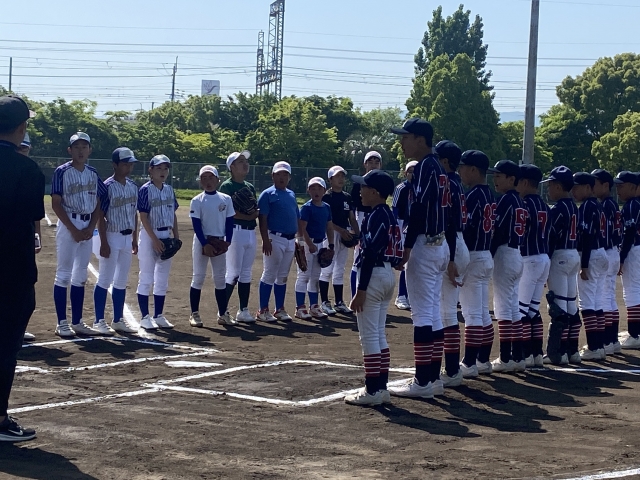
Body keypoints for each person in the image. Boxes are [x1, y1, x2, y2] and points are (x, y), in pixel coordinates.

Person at [388, 118, 449, 399]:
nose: (402, 142)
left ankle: (423, 382)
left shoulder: (425, 166)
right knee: (433, 312)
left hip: (425, 244)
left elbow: (419, 210)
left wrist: (408, 246)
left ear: (421, 140)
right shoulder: (438, 166)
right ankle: (432, 379)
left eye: (406, 137)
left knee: (423, 314)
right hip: (439, 243)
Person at [0, 94, 43, 441]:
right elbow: (31, 219)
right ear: (20, 127)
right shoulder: (27, 169)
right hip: (12, 270)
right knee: (5, 346)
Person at [344, 170, 402, 406]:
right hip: (387, 273)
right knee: (378, 334)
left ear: (375, 192)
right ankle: (381, 387)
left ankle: (372, 390)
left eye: (364, 187)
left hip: (374, 275)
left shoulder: (376, 215)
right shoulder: (388, 214)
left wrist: (361, 290)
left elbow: (369, 254)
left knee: (369, 336)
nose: (360, 191)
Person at [51, 132, 107, 337]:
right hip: (69, 223)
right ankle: (61, 323)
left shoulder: (93, 173)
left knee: (81, 275)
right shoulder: (62, 171)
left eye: (84, 147)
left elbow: (99, 200)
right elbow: (56, 203)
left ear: (90, 150)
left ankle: (77, 321)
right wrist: (73, 230)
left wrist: (91, 226)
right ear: (70, 150)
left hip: (87, 224)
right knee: (63, 274)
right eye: (77, 147)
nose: (81, 150)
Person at [93, 147, 140, 334]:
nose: (129, 167)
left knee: (121, 280)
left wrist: (135, 238)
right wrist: (104, 242)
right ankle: (98, 320)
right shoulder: (107, 187)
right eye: (125, 164)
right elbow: (100, 215)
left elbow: (134, 213)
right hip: (111, 235)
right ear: (115, 164)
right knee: (105, 278)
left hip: (127, 237)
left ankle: (118, 320)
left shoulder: (133, 186)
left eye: (131, 164)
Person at [457, 150, 496, 377]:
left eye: (463, 167)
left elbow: (467, 229)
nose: (460, 172)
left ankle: (470, 362)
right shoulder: (490, 194)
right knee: (481, 312)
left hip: (473, 255)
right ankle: (483, 360)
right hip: (485, 254)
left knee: (472, 314)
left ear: (473, 169)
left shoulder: (473, 196)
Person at [435, 141, 469, 388]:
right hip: (457, 242)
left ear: (445, 161)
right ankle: (452, 368)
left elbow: (448, 222)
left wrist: (451, 258)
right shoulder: (456, 182)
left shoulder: (447, 182)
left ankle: (452, 370)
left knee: (445, 313)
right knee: (446, 312)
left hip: (452, 244)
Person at [488, 160, 527, 373]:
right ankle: (517, 356)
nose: (495, 179)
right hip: (516, 253)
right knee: (512, 307)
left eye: (499, 176)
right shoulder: (520, 201)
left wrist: (488, 254)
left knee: (503, 307)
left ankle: (505, 358)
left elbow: (499, 231)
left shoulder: (506, 200)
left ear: (512, 179)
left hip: (504, 253)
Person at [136, 155, 180, 330]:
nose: (163, 172)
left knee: (162, 279)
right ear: (151, 170)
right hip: (149, 236)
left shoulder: (169, 190)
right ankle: (145, 317)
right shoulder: (145, 190)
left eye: (165, 168)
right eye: (159, 168)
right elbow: (143, 217)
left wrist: (176, 237)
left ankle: (159, 315)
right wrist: (154, 240)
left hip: (166, 234)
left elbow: (173, 214)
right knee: (146, 277)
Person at [541, 166, 579, 365]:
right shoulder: (574, 207)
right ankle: (572, 351)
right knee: (571, 304)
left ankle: (558, 352)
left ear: (557, 186)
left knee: (558, 306)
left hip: (560, 255)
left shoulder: (557, 209)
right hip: (573, 254)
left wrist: (546, 261)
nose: (548, 189)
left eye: (550, 185)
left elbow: (551, 237)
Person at [188, 166, 236, 327]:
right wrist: (204, 243)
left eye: (211, 177)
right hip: (202, 241)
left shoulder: (226, 199)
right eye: (204, 178)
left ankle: (223, 314)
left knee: (220, 278)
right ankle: (194, 314)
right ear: (200, 181)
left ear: (217, 179)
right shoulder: (197, 200)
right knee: (198, 277)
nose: (208, 181)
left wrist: (228, 241)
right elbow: (196, 225)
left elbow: (229, 221)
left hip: (219, 241)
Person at [516, 164, 551, 368]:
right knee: (532, 310)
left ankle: (524, 354)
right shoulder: (545, 205)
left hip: (529, 258)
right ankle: (536, 353)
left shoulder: (524, 205)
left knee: (520, 310)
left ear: (525, 182)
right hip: (544, 257)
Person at [257, 161, 300, 322]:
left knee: (282, 276)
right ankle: (262, 310)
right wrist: (265, 239)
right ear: (273, 176)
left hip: (290, 239)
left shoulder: (291, 194)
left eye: (285, 174)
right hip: (274, 237)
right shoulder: (267, 194)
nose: (282, 177)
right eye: (279, 174)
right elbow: (263, 219)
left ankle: (279, 309)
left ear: (289, 177)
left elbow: (296, 217)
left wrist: (300, 240)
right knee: (269, 274)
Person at [219, 151, 259, 323]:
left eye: (246, 161)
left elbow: (255, 210)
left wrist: (253, 214)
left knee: (246, 273)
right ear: (232, 167)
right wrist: (248, 216)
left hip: (250, 232)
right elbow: (227, 213)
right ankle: (222, 312)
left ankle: (243, 310)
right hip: (235, 232)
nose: (245, 164)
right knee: (233, 273)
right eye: (241, 161)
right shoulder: (227, 187)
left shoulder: (249, 187)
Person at [573, 172, 609, 361]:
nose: (573, 191)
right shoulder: (597, 205)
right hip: (601, 252)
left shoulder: (587, 206)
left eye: (577, 187)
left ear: (588, 187)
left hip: (591, 254)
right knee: (596, 302)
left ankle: (594, 347)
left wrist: (584, 265)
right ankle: (599, 345)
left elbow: (586, 237)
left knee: (587, 303)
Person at [319, 166, 359, 315]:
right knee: (326, 268)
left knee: (340, 269)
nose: (341, 179)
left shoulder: (347, 197)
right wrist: (341, 231)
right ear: (330, 179)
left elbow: (352, 218)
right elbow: (325, 220)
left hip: (344, 234)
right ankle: (324, 302)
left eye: (342, 176)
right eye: (337, 176)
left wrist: (357, 234)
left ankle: (339, 302)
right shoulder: (326, 197)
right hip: (331, 233)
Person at [295, 177, 335, 320]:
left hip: (320, 244)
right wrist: (308, 244)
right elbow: (301, 228)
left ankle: (314, 306)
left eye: (319, 188)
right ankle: (300, 308)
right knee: (304, 275)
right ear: (308, 190)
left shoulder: (326, 207)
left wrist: (331, 245)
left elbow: (329, 227)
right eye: (313, 188)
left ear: (324, 191)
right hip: (308, 243)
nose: (316, 191)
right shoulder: (307, 208)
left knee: (315, 277)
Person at [592, 169, 622, 353]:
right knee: (609, 296)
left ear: (605, 185)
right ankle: (612, 340)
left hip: (608, 250)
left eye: (595, 184)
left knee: (604, 297)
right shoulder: (612, 204)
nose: (592, 187)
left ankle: (607, 341)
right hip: (614, 251)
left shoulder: (605, 205)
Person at [16, 132, 39, 342]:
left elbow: (36, 213)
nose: (21, 152)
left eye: (24, 148)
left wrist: (36, 235)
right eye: (19, 147)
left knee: (24, 289)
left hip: (22, 238)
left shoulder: (31, 172)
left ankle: (18, 329)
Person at [350, 151, 382, 297]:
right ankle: (354, 295)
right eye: (370, 162)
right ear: (365, 164)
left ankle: (370, 293)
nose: (373, 164)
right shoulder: (359, 183)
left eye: (376, 162)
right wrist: (354, 228)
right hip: (362, 217)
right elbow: (352, 207)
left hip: (377, 217)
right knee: (358, 257)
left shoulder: (383, 182)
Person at [615, 171, 640, 349]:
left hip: (634, 249)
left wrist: (621, 258)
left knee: (632, 292)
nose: (618, 190)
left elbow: (629, 233)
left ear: (633, 187)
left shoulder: (632, 205)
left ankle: (635, 334)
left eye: (621, 186)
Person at [391, 160, 417, 311]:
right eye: (410, 171)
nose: (413, 174)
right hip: (402, 224)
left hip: (415, 227)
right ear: (406, 173)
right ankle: (401, 295)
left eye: (415, 171)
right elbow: (395, 209)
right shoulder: (401, 188)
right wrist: (396, 231)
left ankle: (411, 296)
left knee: (415, 263)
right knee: (405, 262)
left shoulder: (421, 188)